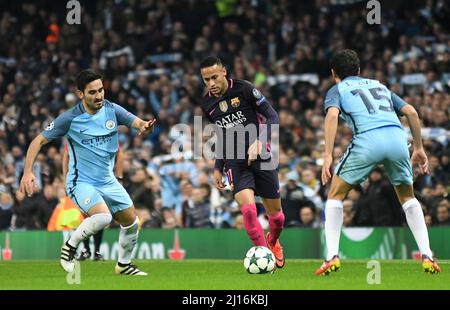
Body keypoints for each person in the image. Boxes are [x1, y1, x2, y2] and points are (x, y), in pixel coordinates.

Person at [316, 49, 441, 275]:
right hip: (397, 139)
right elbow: (411, 112)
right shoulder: (379, 85)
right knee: (408, 198)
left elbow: (332, 115)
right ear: (359, 70)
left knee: (335, 195)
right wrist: (419, 147)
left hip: (368, 140)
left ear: (334, 73)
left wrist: (327, 156)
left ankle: (331, 257)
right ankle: (428, 256)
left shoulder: (337, 89)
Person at [19, 69, 156, 276]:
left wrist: (144, 127)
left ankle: (124, 265)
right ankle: (69, 249)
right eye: (92, 92)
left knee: (131, 222)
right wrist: (28, 171)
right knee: (103, 217)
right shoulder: (70, 119)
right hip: (80, 181)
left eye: (101, 90)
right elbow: (38, 140)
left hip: (107, 180)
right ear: (80, 94)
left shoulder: (112, 110)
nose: (99, 95)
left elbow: (137, 123)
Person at [199, 56, 285, 268]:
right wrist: (218, 167)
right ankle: (265, 257)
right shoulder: (207, 103)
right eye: (206, 79)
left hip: (262, 158)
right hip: (234, 161)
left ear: (224, 72)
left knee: (277, 218)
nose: (210, 83)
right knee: (247, 210)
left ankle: (272, 241)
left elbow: (273, 117)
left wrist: (259, 141)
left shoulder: (244, 89)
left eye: (214, 77)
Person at [62, 141, 124, 261]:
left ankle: (96, 251)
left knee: (100, 215)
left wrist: (119, 176)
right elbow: (66, 155)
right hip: (82, 181)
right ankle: (86, 250)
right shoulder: (76, 133)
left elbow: (119, 153)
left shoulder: (104, 133)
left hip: (102, 181)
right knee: (86, 215)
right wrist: (66, 178)